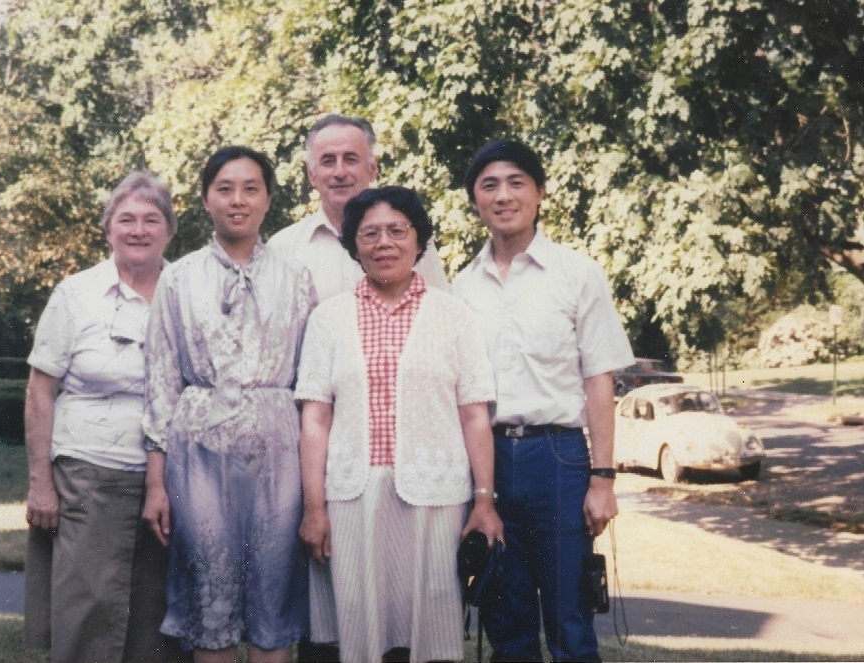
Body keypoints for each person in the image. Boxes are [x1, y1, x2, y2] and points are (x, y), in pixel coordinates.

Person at [295, 185, 504, 663]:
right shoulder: (328, 319)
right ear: (354, 245)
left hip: (434, 497)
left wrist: (484, 501)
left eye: (396, 231)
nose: (383, 243)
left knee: (430, 632)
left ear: (418, 240)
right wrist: (314, 509)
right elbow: (315, 417)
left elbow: (474, 413)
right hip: (352, 497)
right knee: (359, 632)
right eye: (370, 234)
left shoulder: (454, 316)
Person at [452, 139, 635, 663]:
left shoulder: (577, 274)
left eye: (516, 183)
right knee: (505, 621)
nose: (503, 196)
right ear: (476, 201)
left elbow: (599, 380)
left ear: (540, 193)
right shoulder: (463, 288)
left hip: (557, 459)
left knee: (569, 620)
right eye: (489, 185)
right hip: (488, 465)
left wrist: (603, 479)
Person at [141, 146, 316, 663]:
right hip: (197, 454)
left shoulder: (296, 277)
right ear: (205, 200)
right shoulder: (178, 278)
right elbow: (161, 379)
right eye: (225, 189)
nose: (237, 200)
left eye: (250, 188)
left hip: (279, 449)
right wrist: (156, 482)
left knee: (273, 596)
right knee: (209, 597)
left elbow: (313, 382)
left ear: (267, 199)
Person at [23, 171, 185, 663]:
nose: (138, 230)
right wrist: (40, 484)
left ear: (170, 229)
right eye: (126, 219)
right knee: (88, 609)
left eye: (151, 220)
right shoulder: (76, 294)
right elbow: (39, 393)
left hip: (175, 476)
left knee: (158, 618)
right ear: (108, 228)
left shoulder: (187, 290)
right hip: (90, 473)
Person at [267, 113, 448, 301]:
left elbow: (441, 311)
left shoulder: (409, 240)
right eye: (328, 161)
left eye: (350, 159)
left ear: (372, 168)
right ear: (312, 174)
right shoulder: (284, 248)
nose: (339, 172)